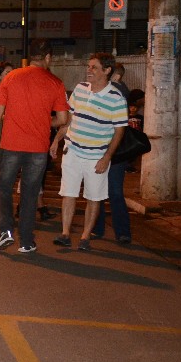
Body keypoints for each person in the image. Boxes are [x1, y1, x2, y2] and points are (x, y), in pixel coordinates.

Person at [0, 45, 69, 253]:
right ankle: (27, 241)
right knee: (30, 193)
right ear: (47, 57)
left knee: (4, 188)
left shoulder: (11, 77)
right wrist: (43, 121)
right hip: (38, 148)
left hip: (11, 145)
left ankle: (5, 231)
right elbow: (63, 119)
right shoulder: (55, 83)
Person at [50, 53, 128, 251]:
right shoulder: (80, 88)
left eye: (94, 67)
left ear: (107, 70)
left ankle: (85, 237)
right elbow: (69, 118)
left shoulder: (116, 98)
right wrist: (57, 140)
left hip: (96, 155)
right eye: (89, 66)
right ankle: (65, 233)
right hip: (73, 149)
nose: (89, 70)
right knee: (68, 193)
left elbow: (119, 131)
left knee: (93, 197)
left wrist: (107, 157)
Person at [89, 63, 132, 244]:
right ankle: (97, 228)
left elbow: (120, 127)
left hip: (115, 151)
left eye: (95, 69)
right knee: (96, 192)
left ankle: (122, 232)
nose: (91, 72)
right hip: (95, 148)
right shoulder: (91, 90)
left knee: (114, 192)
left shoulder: (118, 91)